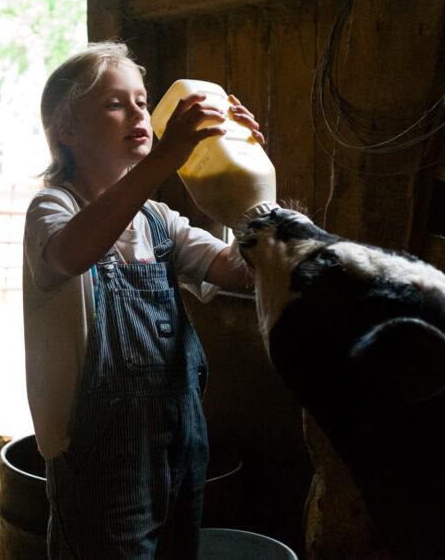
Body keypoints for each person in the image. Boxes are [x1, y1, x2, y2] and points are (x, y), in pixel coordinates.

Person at [22, 41, 264, 559]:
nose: (139, 112)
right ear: (65, 130)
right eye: (115, 103)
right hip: (99, 460)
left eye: (142, 100)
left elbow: (242, 273)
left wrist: (249, 191)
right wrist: (163, 160)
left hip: (180, 447)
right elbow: (72, 253)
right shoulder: (52, 210)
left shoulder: (159, 221)